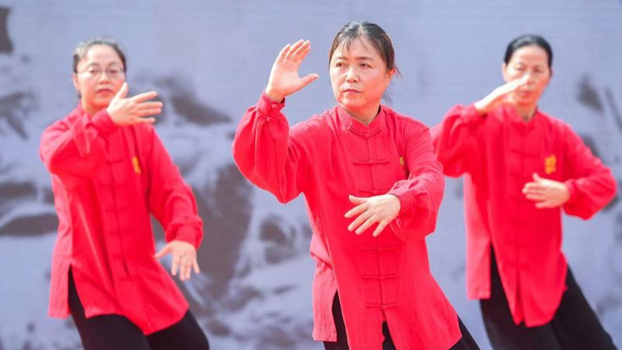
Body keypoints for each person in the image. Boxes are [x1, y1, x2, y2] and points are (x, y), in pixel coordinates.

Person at [233, 22, 480, 350]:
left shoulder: (410, 132)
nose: (350, 74)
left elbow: (430, 179)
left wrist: (398, 199)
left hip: (410, 291)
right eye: (340, 64)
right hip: (346, 298)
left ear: (389, 74)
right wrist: (271, 99)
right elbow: (266, 167)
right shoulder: (314, 135)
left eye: (364, 64)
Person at [432, 34, 618, 350]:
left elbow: (604, 182)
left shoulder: (557, 133)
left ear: (550, 76)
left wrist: (568, 191)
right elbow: (434, 150)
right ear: (505, 70)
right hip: (499, 273)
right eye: (520, 68)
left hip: (549, 271)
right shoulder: (481, 125)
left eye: (537, 70)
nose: (527, 79)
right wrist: (479, 108)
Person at [40, 38, 210, 350]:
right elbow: (61, 161)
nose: (104, 77)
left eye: (113, 70)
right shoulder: (59, 134)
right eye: (93, 70)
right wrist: (105, 123)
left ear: (124, 79)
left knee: (192, 345)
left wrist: (184, 233)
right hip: (91, 272)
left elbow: (170, 188)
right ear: (76, 80)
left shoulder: (141, 133)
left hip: (140, 269)